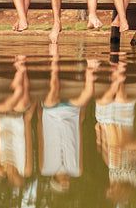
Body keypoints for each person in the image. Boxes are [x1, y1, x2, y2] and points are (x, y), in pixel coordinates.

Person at [37, 44, 99, 193]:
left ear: (56, 181)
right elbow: (79, 144)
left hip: (51, 114)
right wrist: (81, 112)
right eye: (67, 185)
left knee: (53, 91)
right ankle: (91, 69)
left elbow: (41, 141)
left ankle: (54, 63)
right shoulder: (77, 170)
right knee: (86, 95)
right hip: (71, 114)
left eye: (63, 184)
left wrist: (40, 117)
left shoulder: (45, 169)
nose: (66, 183)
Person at [94, 60, 136, 204]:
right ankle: (119, 69)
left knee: (104, 100)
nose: (109, 188)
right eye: (110, 191)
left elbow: (109, 154)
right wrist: (125, 147)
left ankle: (116, 69)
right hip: (124, 122)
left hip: (107, 123)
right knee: (120, 96)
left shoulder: (113, 178)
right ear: (118, 194)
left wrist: (99, 137)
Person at [0, 55, 35, 188]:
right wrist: (29, 111)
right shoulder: (25, 170)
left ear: (9, 180)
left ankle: (20, 68)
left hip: (0, 113)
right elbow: (28, 139)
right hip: (19, 114)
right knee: (21, 104)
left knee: (18, 98)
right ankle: (21, 68)